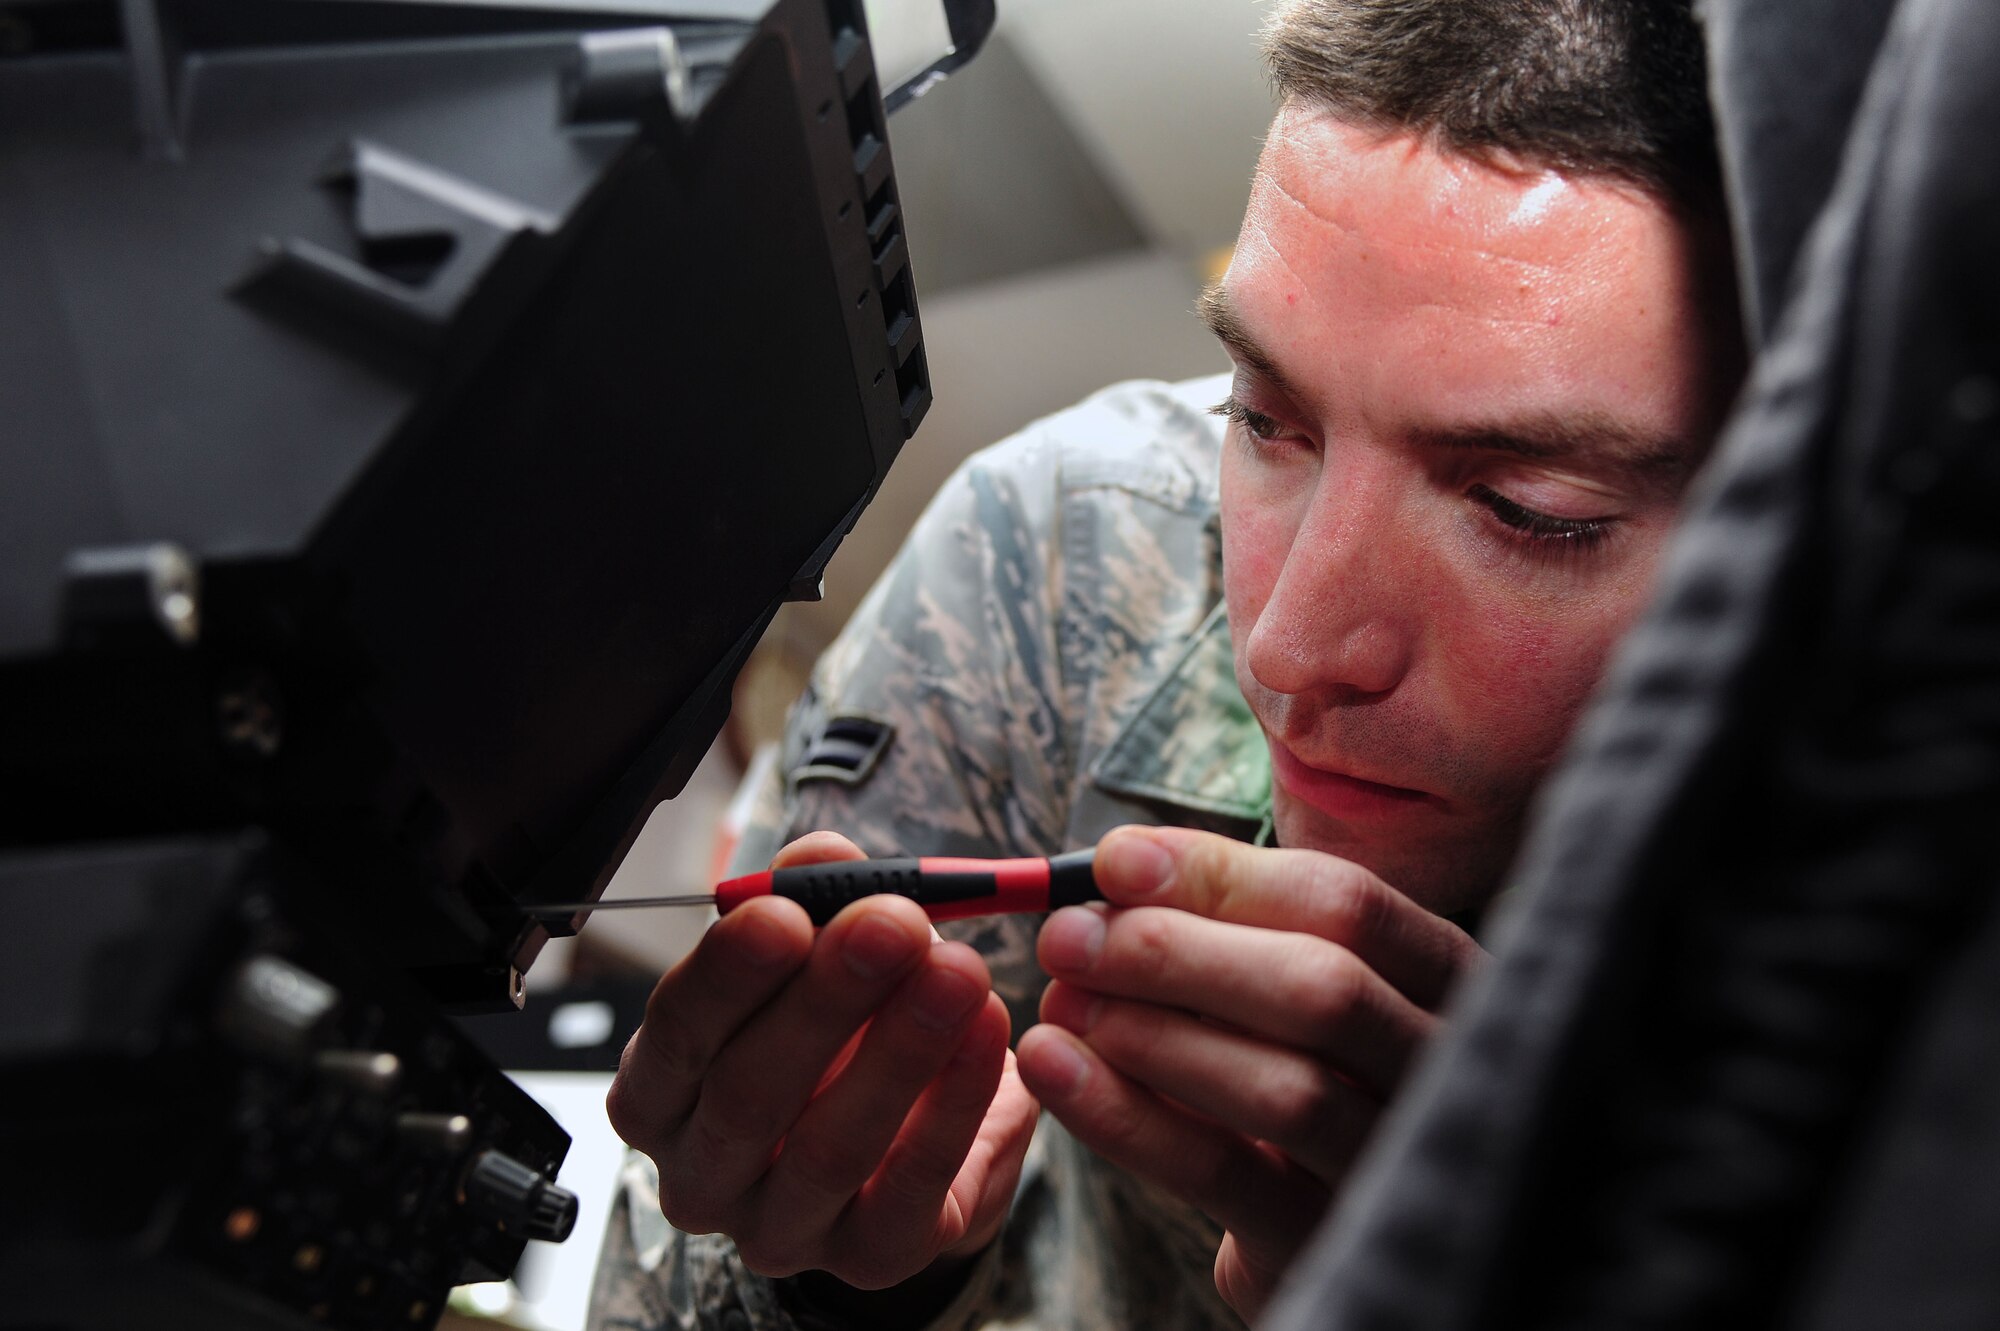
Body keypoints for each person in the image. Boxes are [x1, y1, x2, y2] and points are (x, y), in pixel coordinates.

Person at [589, 1, 1745, 1327]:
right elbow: (660, 1280)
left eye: (1529, 510)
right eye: (1265, 417)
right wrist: (830, 1287)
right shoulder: (1067, 551)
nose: (1289, 646)